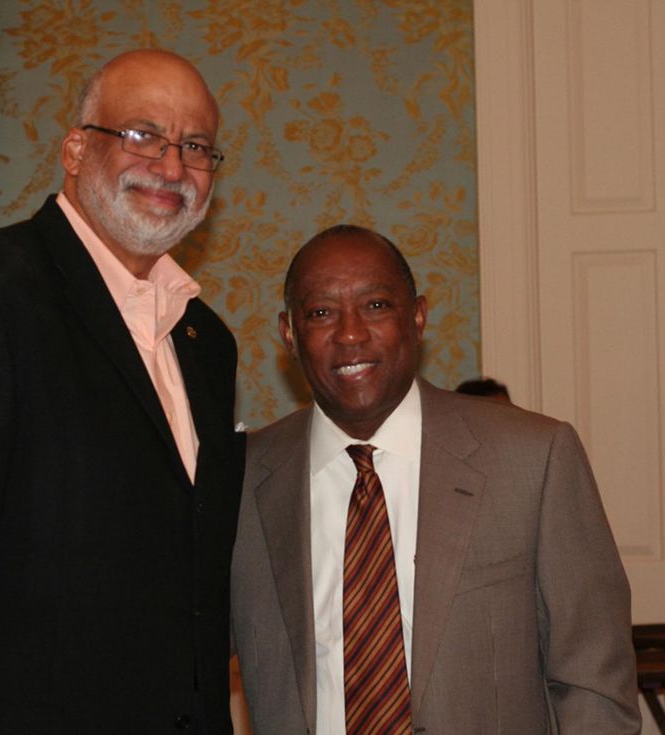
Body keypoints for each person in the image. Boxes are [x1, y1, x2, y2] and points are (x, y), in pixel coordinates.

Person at [0, 49, 244, 734]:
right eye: (143, 134)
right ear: (74, 149)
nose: (172, 166)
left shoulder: (207, 342)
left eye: (197, 146)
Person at [229, 225, 641, 734]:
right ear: (289, 334)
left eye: (376, 306)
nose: (351, 333)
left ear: (418, 318)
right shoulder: (238, 482)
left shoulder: (534, 458)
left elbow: (593, 681)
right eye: (320, 313)